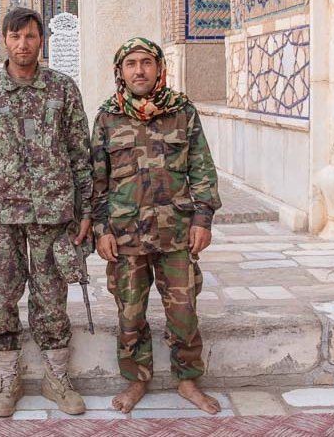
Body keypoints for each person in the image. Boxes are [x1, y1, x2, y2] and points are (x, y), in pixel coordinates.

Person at [0, 7, 92, 417]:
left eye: (31, 36)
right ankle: (7, 379)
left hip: (54, 216)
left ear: (41, 41)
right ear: (4, 41)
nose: (23, 44)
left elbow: (80, 153)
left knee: (52, 297)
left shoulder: (63, 90)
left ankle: (56, 379)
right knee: (1, 297)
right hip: (2, 219)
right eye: (15, 37)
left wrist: (85, 210)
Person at [90, 36, 222, 415]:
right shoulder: (107, 117)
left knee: (184, 314)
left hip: (176, 233)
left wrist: (203, 219)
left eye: (146, 63)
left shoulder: (182, 111)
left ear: (159, 68)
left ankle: (187, 379)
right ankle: (135, 380)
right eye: (131, 64)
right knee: (130, 314)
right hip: (125, 236)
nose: (139, 71)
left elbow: (201, 168)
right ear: (120, 72)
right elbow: (96, 181)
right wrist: (101, 230)